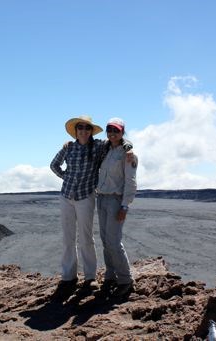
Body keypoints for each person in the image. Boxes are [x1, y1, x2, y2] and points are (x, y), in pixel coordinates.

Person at [50, 115, 105, 289]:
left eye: (87, 128)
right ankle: (68, 276)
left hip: (85, 197)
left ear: (91, 131)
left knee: (86, 238)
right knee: (68, 237)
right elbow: (54, 165)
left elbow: (116, 141)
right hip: (66, 196)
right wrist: (65, 176)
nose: (83, 131)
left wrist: (128, 148)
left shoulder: (97, 147)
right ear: (76, 131)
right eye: (80, 127)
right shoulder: (69, 148)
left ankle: (90, 277)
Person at [96, 117, 137, 297]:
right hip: (102, 198)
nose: (112, 134)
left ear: (122, 132)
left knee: (114, 241)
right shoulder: (105, 149)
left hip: (115, 200)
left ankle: (125, 280)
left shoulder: (127, 154)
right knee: (105, 240)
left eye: (117, 131)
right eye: (109, 130)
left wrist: (125, 206)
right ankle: (110, 275)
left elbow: (131, 181)